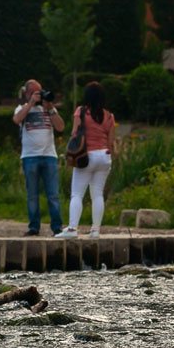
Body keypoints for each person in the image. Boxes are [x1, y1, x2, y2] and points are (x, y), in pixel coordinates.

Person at [61, 81, 116, 239]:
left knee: (77, 194)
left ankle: (72, 229)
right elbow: (111, 141)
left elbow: (74, 133)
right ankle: (95, 230)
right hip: (104, 157)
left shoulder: (81, 111)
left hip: (86, 156)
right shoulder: (109, 116)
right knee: (97, 194)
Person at [13, 79, 65, 236]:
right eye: (36, 92)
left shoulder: (48, 109)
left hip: (49, 156)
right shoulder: (22, 108)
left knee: (53, 195)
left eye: (41, 92)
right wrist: (30, 104)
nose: (40, 95)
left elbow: (61, 127)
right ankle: (34, 227)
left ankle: (57, 227)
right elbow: (16, 119)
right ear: (28, 93)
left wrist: (50, 108)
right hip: (30, 157)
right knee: (32, 195)